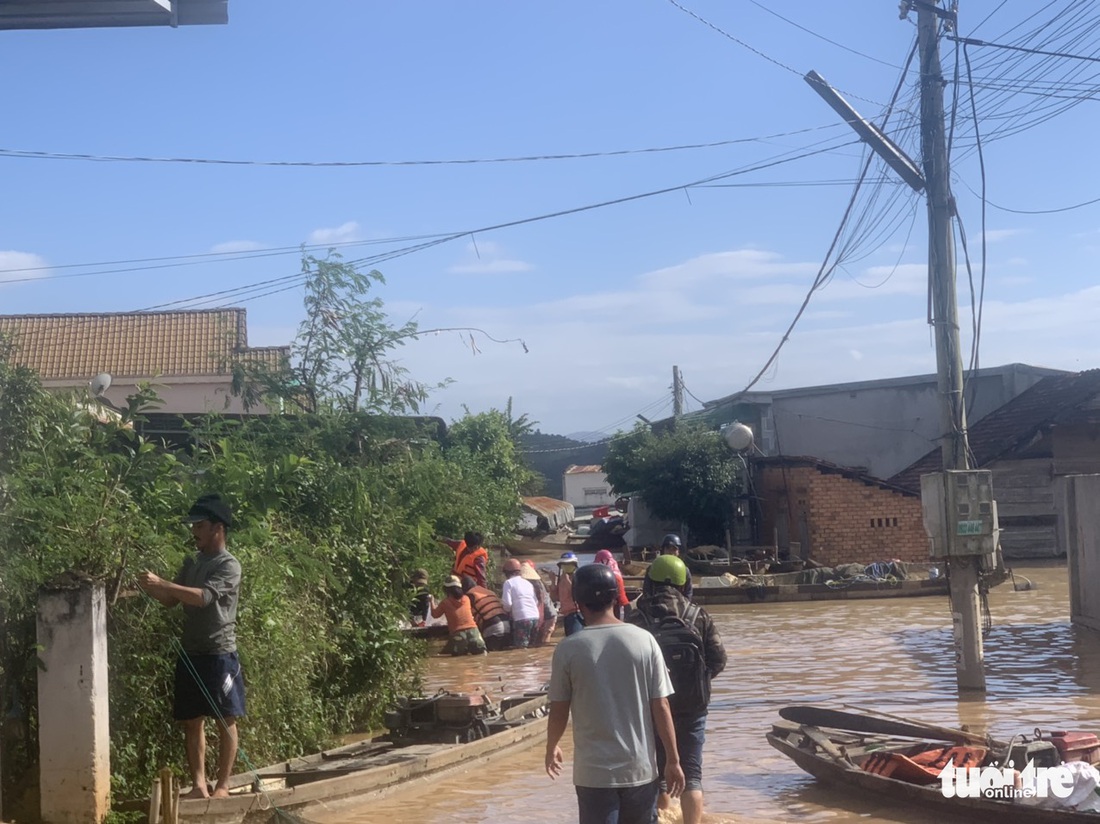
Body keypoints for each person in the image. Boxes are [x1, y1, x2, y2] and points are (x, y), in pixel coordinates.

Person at [545, 563, 686, 824]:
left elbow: (559, 709)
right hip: (640, 771)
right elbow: (661, 706)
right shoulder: (644, 641)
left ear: (578, 602)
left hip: (593, 774)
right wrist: (673, 760)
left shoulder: (568, 649)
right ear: (615, 597)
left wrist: (552, 745)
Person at [137, 493, 246, 800]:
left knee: (226, 720)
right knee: (192, 721)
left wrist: (164, 584)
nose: (194, 531)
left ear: (217, 528)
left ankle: (223, 785)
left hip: (219, 654)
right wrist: (151, 588)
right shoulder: (192, 562)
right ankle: (199, 785)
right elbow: (173, 600)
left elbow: (202, 597)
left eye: (199, 525)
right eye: (193, 526)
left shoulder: (229, 565)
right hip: (191, 652)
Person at [628, 554, 726, 824]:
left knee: (655, 773)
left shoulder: (636, 618)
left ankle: (662, 816)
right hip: (693, 707)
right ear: (685, 584)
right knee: (692, 774)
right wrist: (698, 682)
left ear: (649, 581)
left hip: (650, 706)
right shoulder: (698, 615)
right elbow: (719, 659)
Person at [430, 575, 487, 655]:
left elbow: (435, 615)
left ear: (446, 590)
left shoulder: (445, 603)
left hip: (458, 636)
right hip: (475, 634)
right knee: (481, 656)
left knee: (458, 662)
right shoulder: (467, 599)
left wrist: (431, 601)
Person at [461, 574, 511, 651]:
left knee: (492, 656)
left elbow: (467, 618)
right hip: (506, 624)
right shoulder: (488, 591)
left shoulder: (468, 596)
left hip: (491, 625)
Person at [501, 557, 541, 649]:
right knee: (532, 647)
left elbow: (507, 604)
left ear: (507, 572)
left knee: (521, 649)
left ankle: (523, 663)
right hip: (535, 617)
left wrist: (506, 611)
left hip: (522, 619)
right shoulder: (527, 583)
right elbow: (536, 601)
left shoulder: (508, 583)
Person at [522, 561, 558, 646]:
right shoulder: (538, 582)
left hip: (548, 616)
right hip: (548, 615)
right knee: (541, 644)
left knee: (542, 642)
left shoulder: (534, 585)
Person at [552, 551, 584, 636]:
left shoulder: (579, 577)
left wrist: (567, 581)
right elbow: (555, 597)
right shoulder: (562, 578)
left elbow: (577, 594)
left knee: (575, 639)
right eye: (564, 565)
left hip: (576, 613)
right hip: (566, 614)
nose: (566, 567)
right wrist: (553, 582)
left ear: (574, 565)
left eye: (569, 564)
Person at [593, 549, 630, 619]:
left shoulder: (613, 575)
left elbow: (619, 596)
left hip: (619, 606)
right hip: (615, 606)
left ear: (605, 561)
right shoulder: (614, 570)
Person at [659, 534, 693, 600]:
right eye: (668, 548)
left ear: (678, 552)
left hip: (678, 604)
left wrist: (683, 606)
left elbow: (688, 593)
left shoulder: (685, 570)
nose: (671, 552)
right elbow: (648, 591)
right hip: (658, 603)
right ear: (663, 550)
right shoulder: (654, 568)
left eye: (674, 549)